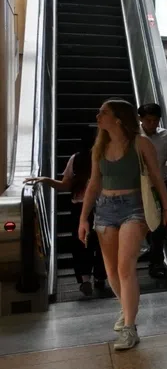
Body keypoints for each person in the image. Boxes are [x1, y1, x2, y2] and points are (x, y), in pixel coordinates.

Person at [79, 99, 167, 350]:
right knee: (111, 271)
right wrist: (83, 218)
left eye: (104, 112)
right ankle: (126, 308)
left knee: (125, 267)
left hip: (134, 207)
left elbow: (156, 176)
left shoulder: (140, 143)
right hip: (105, 210)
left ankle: (129, 328)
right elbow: (93, 184)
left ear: (119, 118)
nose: (98, 116)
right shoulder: (99, 146)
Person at [25, 126, 107, 297]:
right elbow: (67, 184)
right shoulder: (95, 158)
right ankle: (94, 278)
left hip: (88, 206)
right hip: (96, 206)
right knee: (96, 243)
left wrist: (47, 180)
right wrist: (46, 180)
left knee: (86, 244)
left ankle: (91, 278)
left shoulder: (83, 158)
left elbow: (65, 185)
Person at [138, 103, 167, 278]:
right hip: (139, 186)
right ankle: (144, 249)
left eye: (155, 121)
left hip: (160, 184)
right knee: (140, 221)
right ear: (141, 119)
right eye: (148, 120)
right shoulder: (134, 136)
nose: (152, 124)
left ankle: (156, 262)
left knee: (159, 225)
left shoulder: (165, 135)